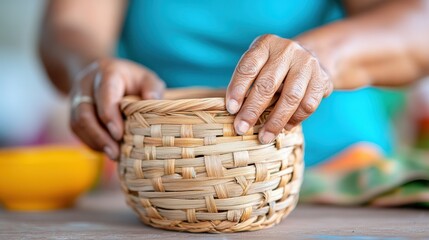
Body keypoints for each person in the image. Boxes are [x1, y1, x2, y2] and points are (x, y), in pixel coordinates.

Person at [39, 0, 429, 166]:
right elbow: (69, 26)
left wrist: (321, 57)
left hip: (340, 174)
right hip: (171, 183)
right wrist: (91, 69)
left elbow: (419, 25)